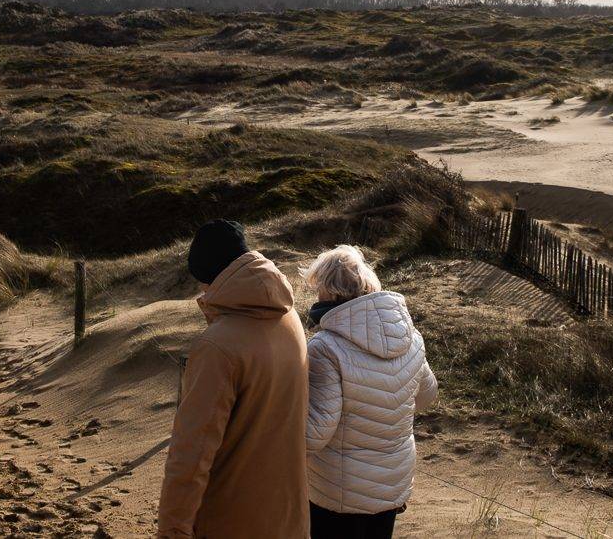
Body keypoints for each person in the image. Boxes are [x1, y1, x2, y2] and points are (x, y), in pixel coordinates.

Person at [157, 220, 308, 539]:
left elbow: (192, 454)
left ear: (207, 277)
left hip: (230, 520)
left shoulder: (217, 347)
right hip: (289, 517)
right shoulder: (289, 318)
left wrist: (173, 529)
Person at [302, 245, 437, 539]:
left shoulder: (324, 347)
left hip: (337, 490)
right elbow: (427, 395)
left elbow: (314, 434)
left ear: (328, 291)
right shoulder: (410, 338)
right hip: (392, 481)